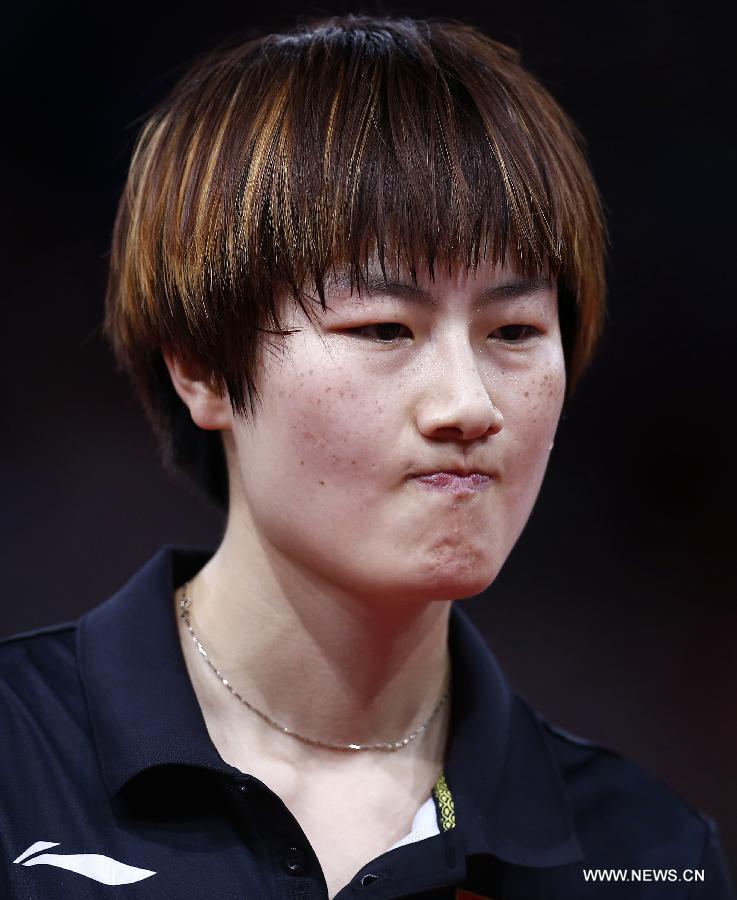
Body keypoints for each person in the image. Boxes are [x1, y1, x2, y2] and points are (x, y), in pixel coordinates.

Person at [0, 14, 733, 900]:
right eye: (383, 327)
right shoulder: (16, 759)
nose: (468, 404)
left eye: (512, 331)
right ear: (200, 368)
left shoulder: (648, 851)